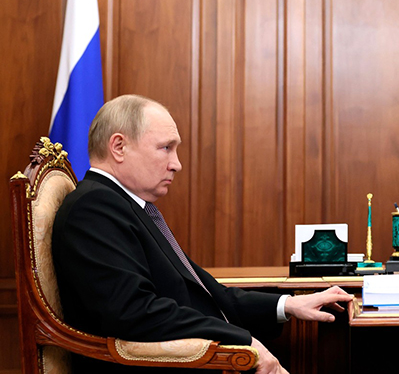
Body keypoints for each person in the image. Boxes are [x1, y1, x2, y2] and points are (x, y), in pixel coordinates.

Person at [52, 95, 354, 374]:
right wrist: (244, 342)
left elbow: (207, 293)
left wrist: (288, 304)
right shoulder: (94, 209)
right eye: (166, 148)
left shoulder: (130, 206)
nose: (177, 164)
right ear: (119, 147)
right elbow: (135, 312)